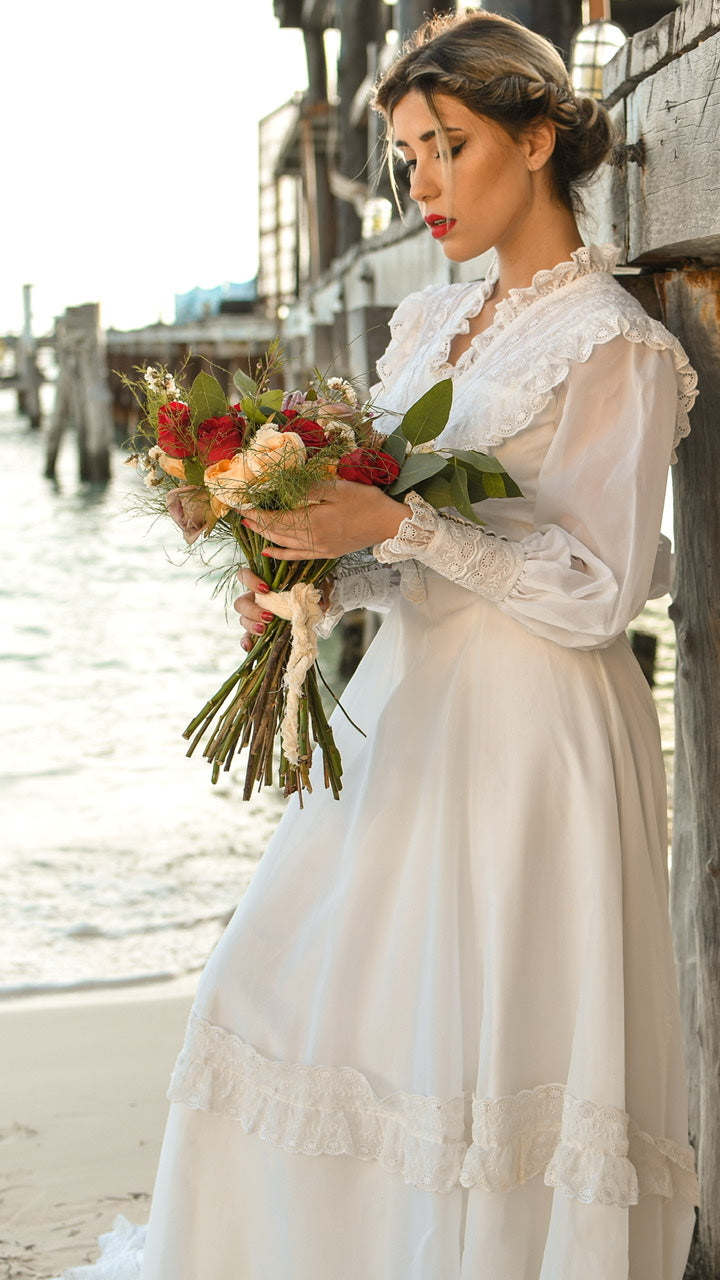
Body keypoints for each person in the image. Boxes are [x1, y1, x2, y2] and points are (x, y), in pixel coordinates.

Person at [59, 10, 699, 1279]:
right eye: (408, 156)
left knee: (494, 1038)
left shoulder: (621, 347)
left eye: (447, 146)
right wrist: (312, 574)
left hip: (536, 729)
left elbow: (597, 590)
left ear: (536, 137)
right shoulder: (428, 327)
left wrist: (398, 524)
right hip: (408, 706)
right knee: (287, 981)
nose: (424, 184)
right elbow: (397, 541)